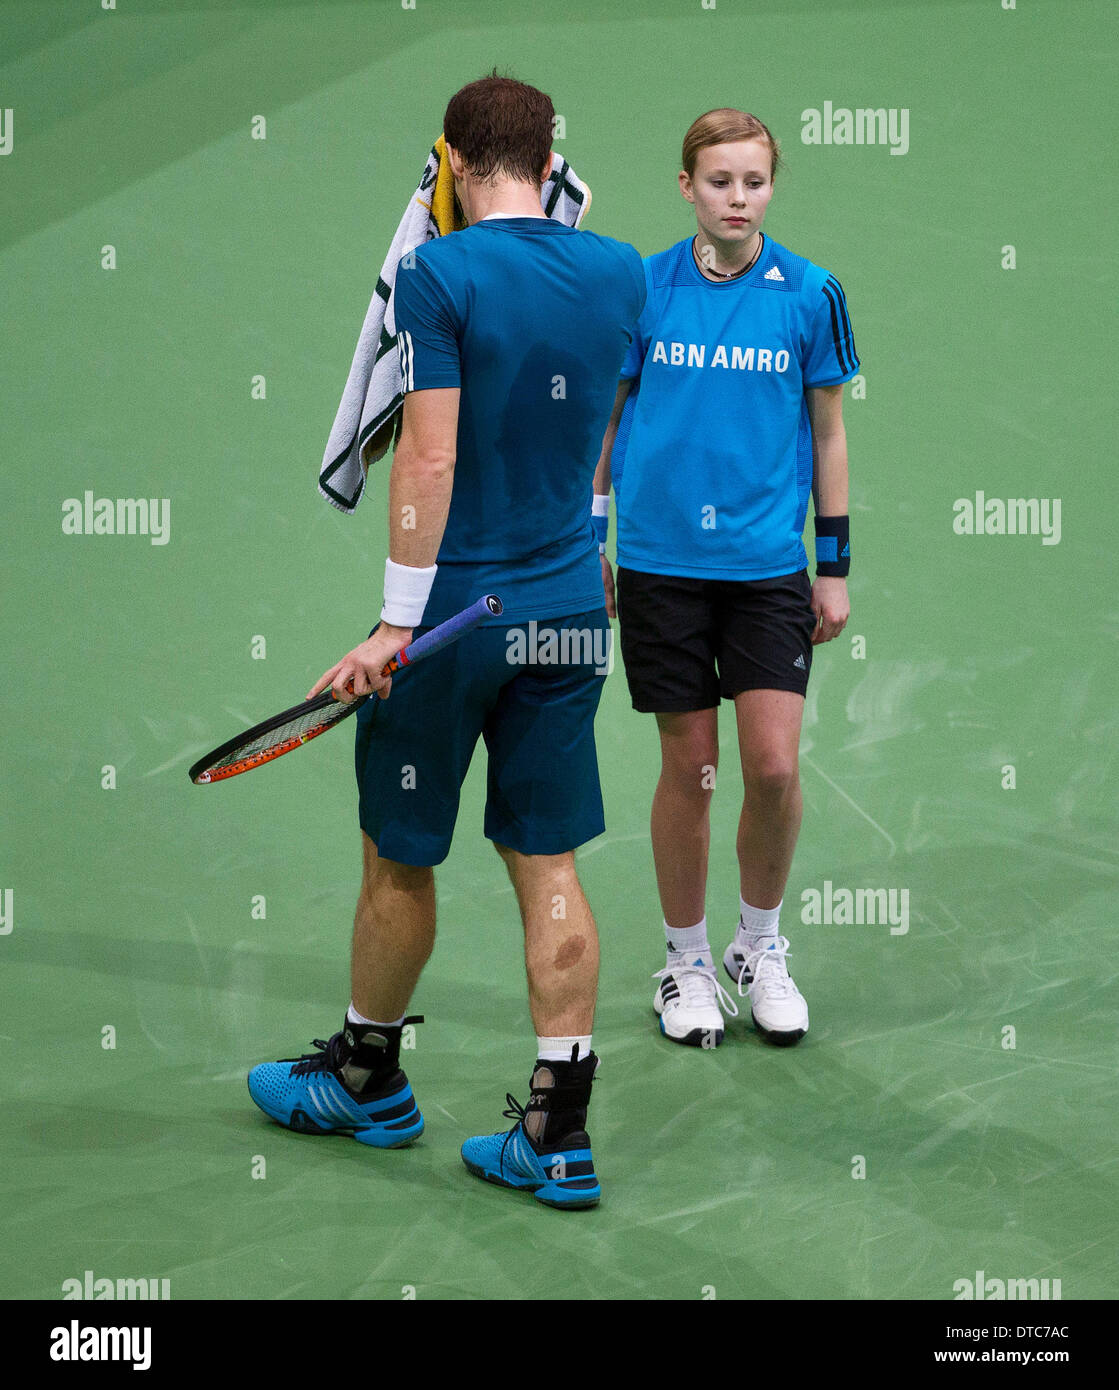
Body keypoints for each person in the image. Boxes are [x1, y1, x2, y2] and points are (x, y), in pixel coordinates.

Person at [247, 74, 645, 1209]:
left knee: (400, 852)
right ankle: (558, 1133)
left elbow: (425, 457)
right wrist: (597, 544)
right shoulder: (621, 270)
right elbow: (612, 419)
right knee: (551, 865)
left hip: (455, 617)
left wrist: (394, 622)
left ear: (458, 165)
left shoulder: (438, 273)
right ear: (546, 158)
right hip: (570, 605)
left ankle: (369, 1078)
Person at [593, 108, 859, 1049]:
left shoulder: (809, 293)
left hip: (763, 569)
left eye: (752, 182)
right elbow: (609, 418)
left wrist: (831, 566)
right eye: (717, 182)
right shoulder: (644, 289)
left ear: (770, 187)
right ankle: (686, 961)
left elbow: (827, 432)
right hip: (662, 565)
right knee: (689, 769)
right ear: (685, 188)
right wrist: (594, 535)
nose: (735, 198)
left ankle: (757, 944)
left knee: (775, 768)